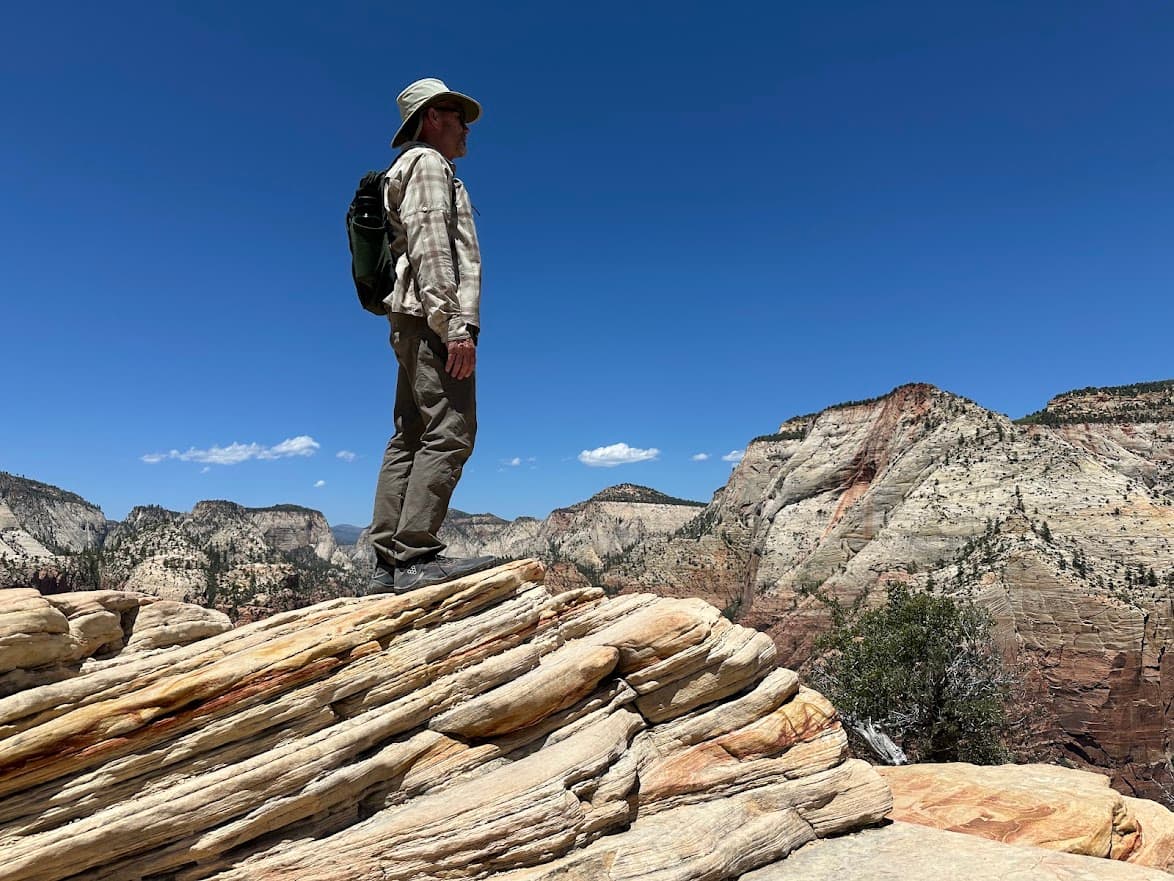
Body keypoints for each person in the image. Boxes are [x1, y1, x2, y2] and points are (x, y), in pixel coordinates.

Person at [367, 78, 494, 593]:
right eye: (458, 116)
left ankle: (386, 566)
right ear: (434, 116)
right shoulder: (427, 166)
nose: (466, 128)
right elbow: (432, 250)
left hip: (409, 318)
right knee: (451, 430)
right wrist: (455, 328)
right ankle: (414, 555)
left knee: (411, 435)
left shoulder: (408, 168)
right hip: (430, 318)